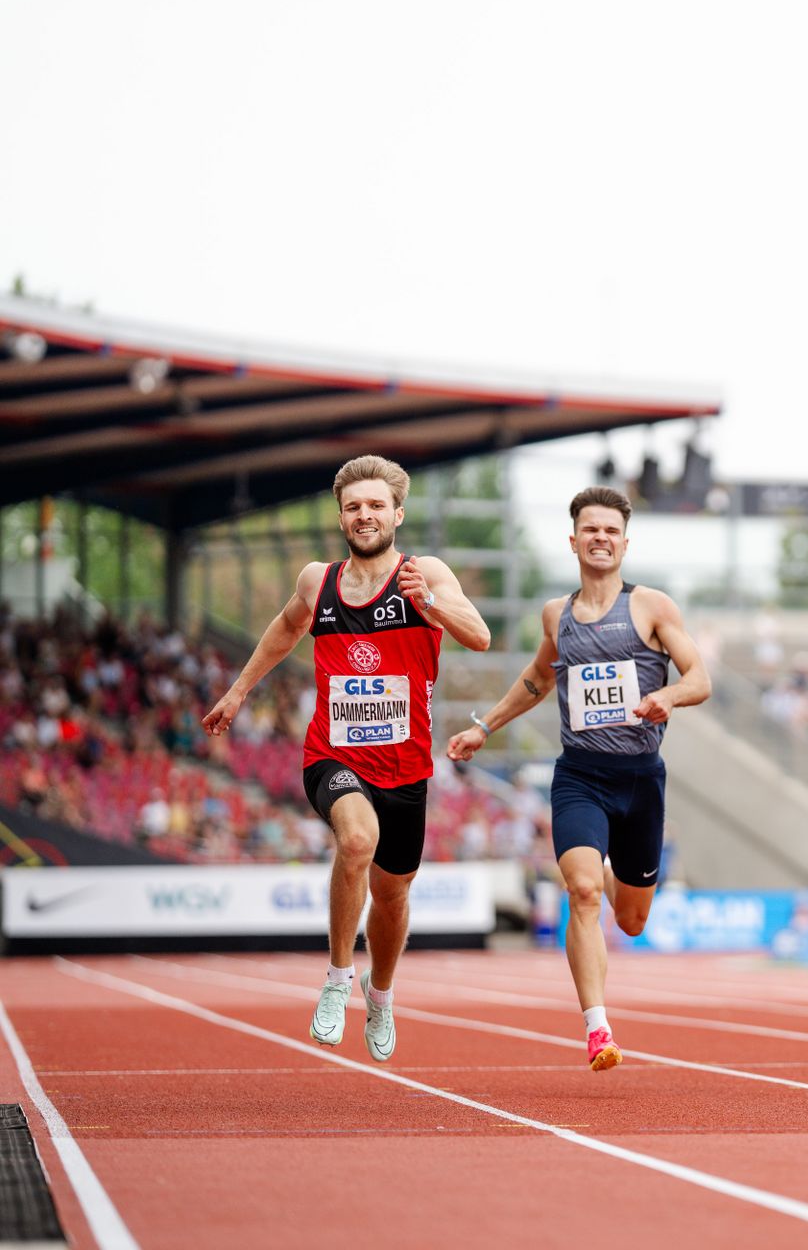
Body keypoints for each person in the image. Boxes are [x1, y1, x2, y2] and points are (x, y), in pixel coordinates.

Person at [203, 456, 490, 1061]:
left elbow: (480, 635)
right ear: (341, 517)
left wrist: (431, 603)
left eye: (376, 506)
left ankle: (379, 995)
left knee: (392, 898)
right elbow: (285, 628)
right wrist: (239, 690)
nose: (365, 516)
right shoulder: (318, 581)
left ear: (397, 514)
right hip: (332, 755)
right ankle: (336, 981)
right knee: (356, 841)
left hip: (406, 766)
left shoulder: (424, 572)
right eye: (354, 507)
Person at [447, 486, 710, 1071]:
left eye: (611, 531)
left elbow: (700, 679)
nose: (600, 538)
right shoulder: (556, 616)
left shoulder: (652, 608)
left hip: (641, 780)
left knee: (634, 921)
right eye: (590, 529)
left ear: (624, 541)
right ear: (574, 540)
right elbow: (537, 680)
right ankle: (598, 1029)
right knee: (583, 892)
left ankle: (614, 872)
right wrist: (482, 728)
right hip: (580, 776)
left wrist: (666, 695)